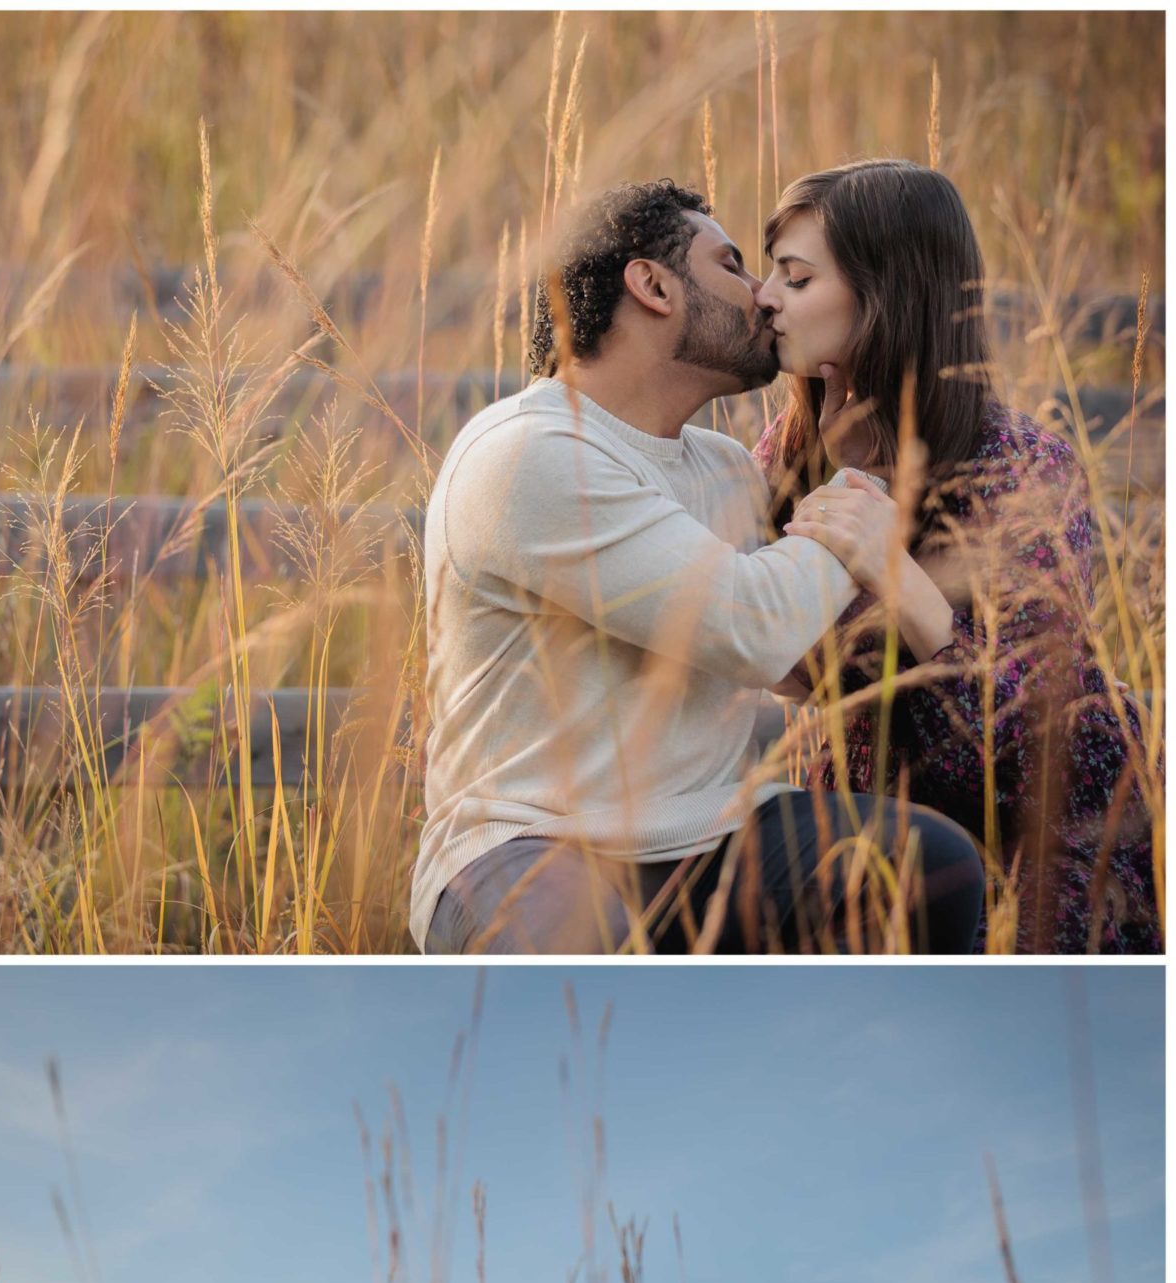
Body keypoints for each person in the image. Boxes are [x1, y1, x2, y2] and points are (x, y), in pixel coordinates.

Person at [412, 178, 987, 957]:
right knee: (579, 948)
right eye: (735, 267)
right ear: (652, 286)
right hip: (532, 839)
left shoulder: (724, 468)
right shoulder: (527, 455)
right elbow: (754, 628)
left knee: (931, 865)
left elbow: (789, 667)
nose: (763, 296)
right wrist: (862, 484)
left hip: (714, 829)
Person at [753, 158, 1161, 954]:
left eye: (797, 279)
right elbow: (780, 660)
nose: (767, 296)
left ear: (887, 295)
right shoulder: (788, 449)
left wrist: (898, 578)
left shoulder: (1023, 467)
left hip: (1038, 847)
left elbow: (1044, 730)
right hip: (870, 837)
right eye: (771, 273)